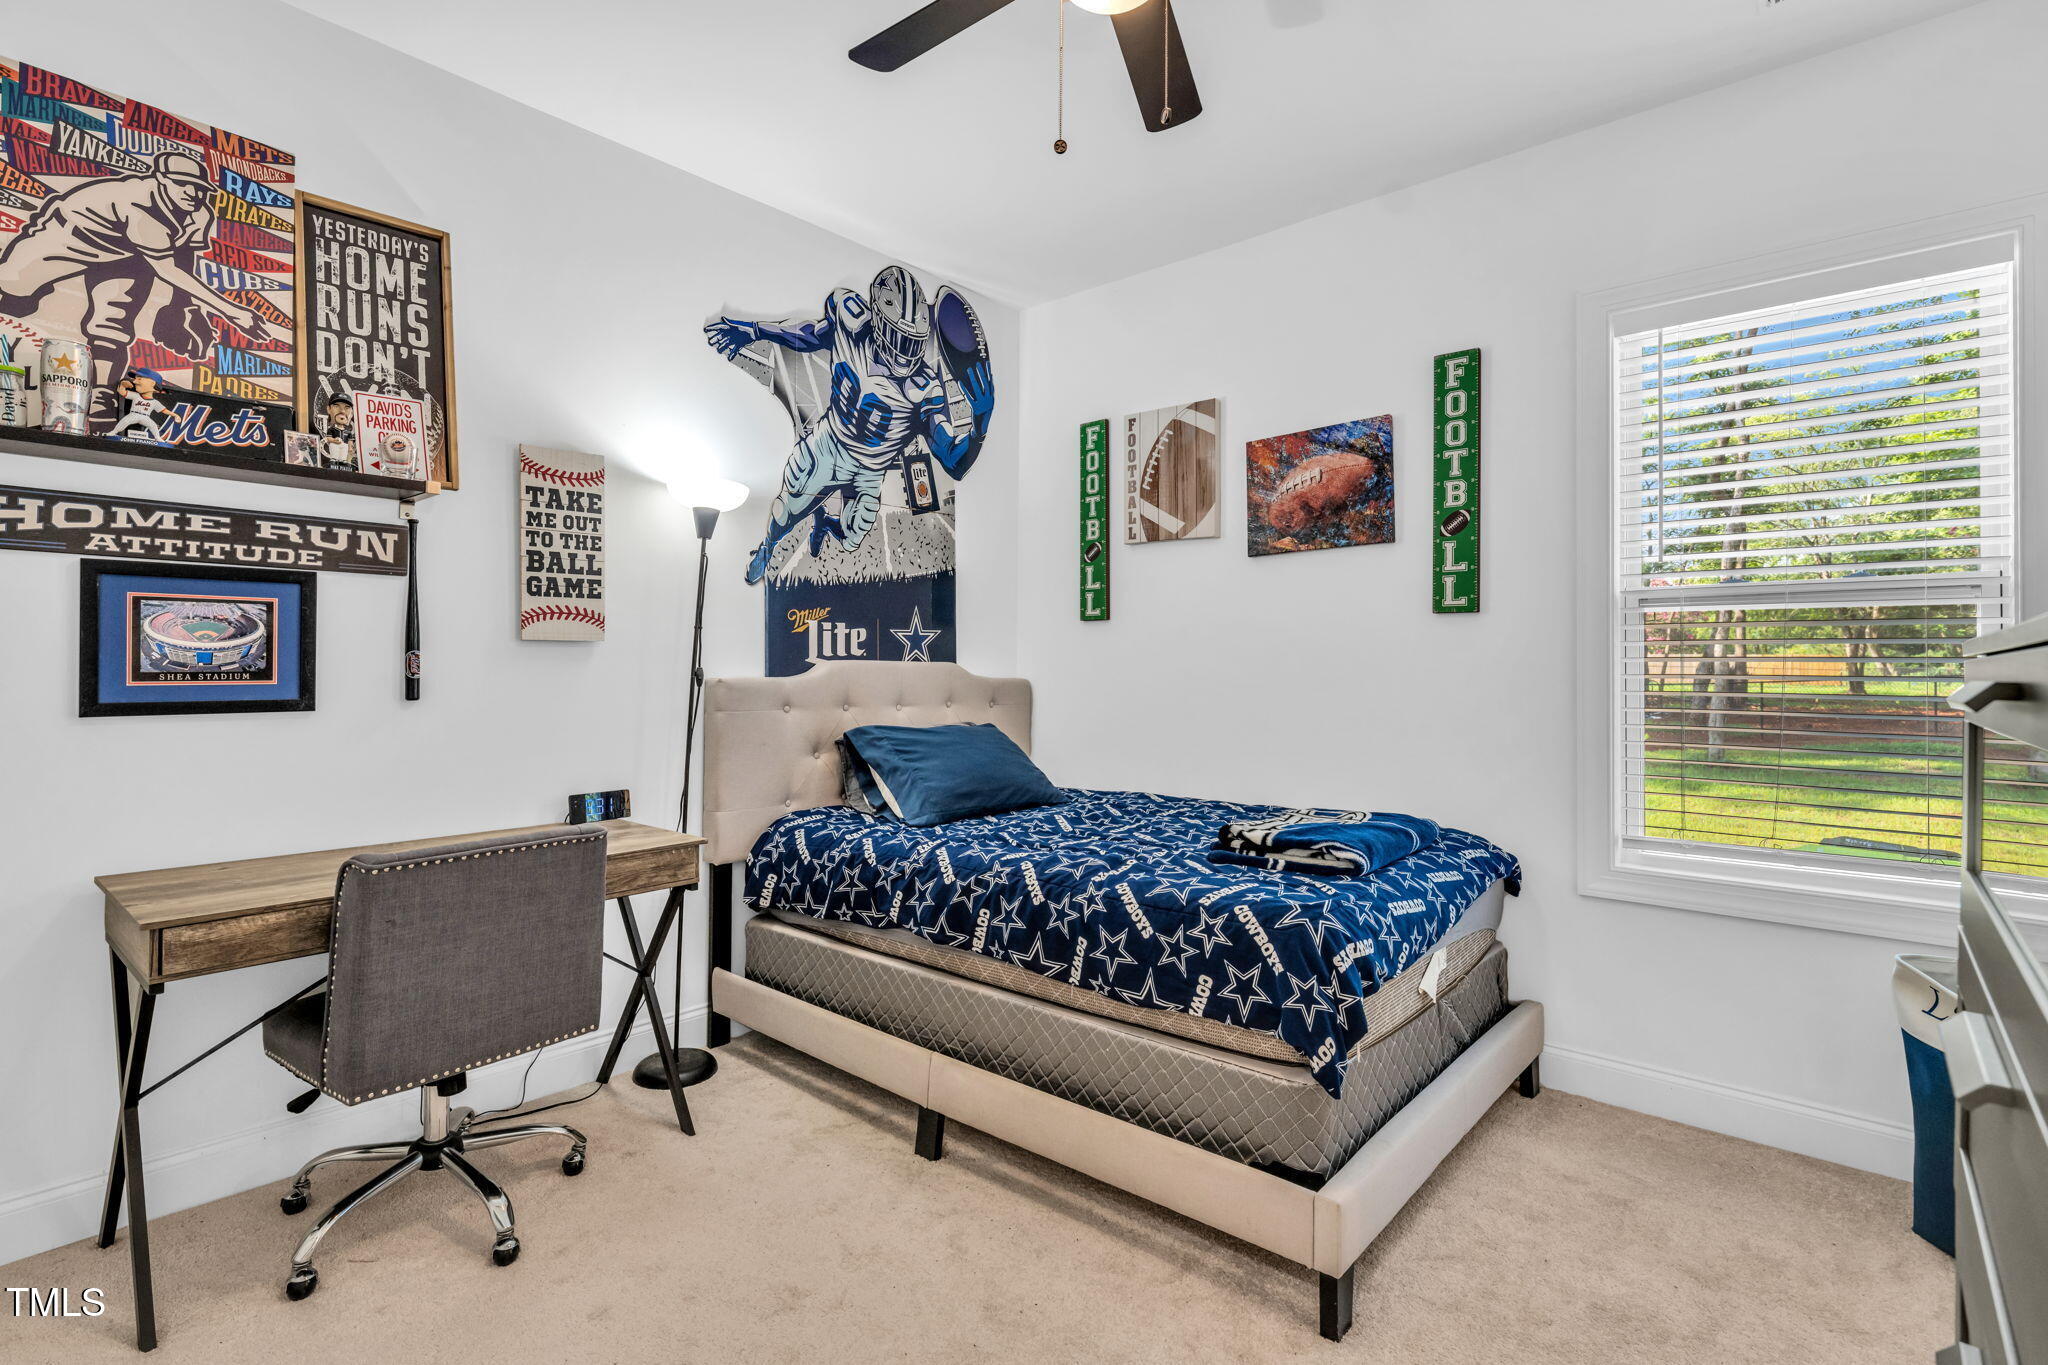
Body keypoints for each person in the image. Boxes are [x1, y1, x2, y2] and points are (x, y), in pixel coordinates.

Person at [706, 265, 993, 584]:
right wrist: (754, 331)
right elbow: (810, 334)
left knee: (852, 538)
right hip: (831, 444)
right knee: (785, 511)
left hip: (870, 469)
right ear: (879, 323)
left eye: (913, 342)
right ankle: (767, 548)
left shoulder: (925, 389)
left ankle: (824, 523)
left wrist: (981, 423)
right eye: (899, 338)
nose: (906, 351)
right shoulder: (850, 322)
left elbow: (955, 463)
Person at [0, 151, 287, 428]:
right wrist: (233, 312)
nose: (192, 193)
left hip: (126, 254)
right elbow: (166, 268)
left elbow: (183, 258)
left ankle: (101, 395)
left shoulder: (199, 213)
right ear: (161, 179)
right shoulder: (140, 203)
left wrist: (184, 308)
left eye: (199, 188)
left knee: (113, 319)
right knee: (13, 289)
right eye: (182, 183)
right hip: (71, 234)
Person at [107, 367, 171, 442]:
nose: (134, 381)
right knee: (124, 421)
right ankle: (113, 432)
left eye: (139, 379)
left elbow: (164, 410)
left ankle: (158, 438)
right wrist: (122, 385)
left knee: (153, 425)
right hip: (134, 414)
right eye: (135, 379)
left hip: (145, 416)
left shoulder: (154, 401)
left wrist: (175, 415)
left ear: (153, 383)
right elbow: (122, 392)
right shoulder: (136, 395)